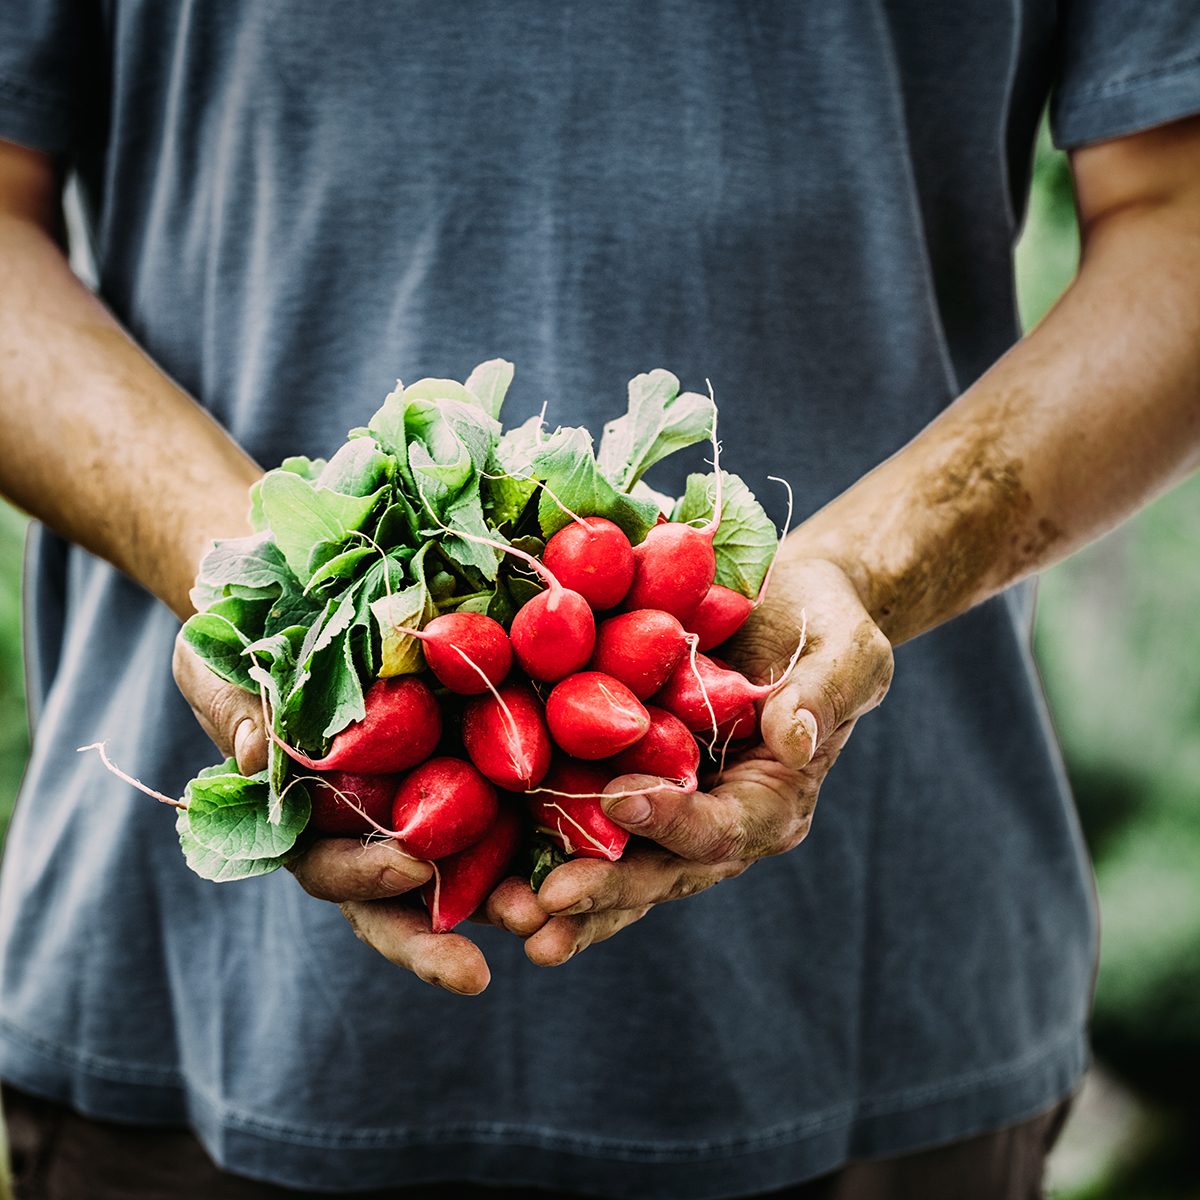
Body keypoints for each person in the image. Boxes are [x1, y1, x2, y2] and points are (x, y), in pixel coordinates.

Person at [0, 3, 1197, 1198]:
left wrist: (866, 572)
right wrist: (264, 577)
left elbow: (1176, 215)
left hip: (874, 995)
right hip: (186, 1022)